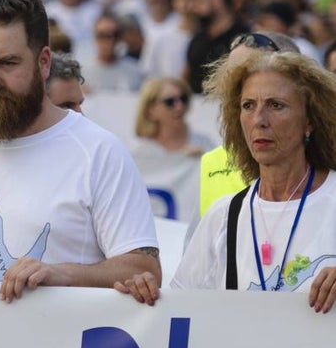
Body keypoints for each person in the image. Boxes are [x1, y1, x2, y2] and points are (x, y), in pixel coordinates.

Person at [0, 0, 160, 300]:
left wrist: (60, 274)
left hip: (61, 347)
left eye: (7, 63)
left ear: (43, 62)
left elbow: (144, 270)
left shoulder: (99, 151)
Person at [117, 50, 336, 312]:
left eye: (276, 105)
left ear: (309, 120)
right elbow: (181, 310)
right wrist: (143, 293)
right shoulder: (223, 215)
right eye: (248, 106)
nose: (259, 120)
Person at [198, 32, 300, 215]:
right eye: (230, 77)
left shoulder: (324, 171)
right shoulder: (211, 162)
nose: (236, 89)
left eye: (275, 104)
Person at [130, 77, 213, 157]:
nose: (179, 106)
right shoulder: (139, 151)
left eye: (183, 99)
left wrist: (204, 160)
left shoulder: (203, 143)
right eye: (170, 102)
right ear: (151, 110)